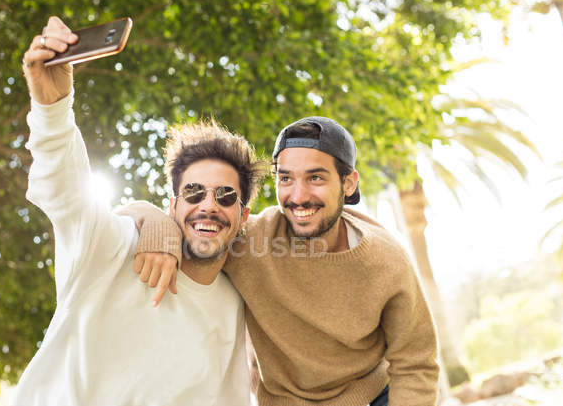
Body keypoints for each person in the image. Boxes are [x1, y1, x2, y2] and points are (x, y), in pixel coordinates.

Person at [15, 16, 267, 406]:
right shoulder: (112, 247)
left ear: (244, 216)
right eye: (194, 192)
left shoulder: (237, 304)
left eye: (226, 196)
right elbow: (65, 189)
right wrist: (51, 107)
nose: (208, 206)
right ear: (173, 205)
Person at [119, 117, 440, 406]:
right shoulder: (252, 240)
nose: (298, 195)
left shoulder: (385, 260)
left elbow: (416, 363)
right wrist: (159, 228)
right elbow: (156, 216)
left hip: (370, 399)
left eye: (315, 178)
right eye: (286, 179)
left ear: (349, 183)